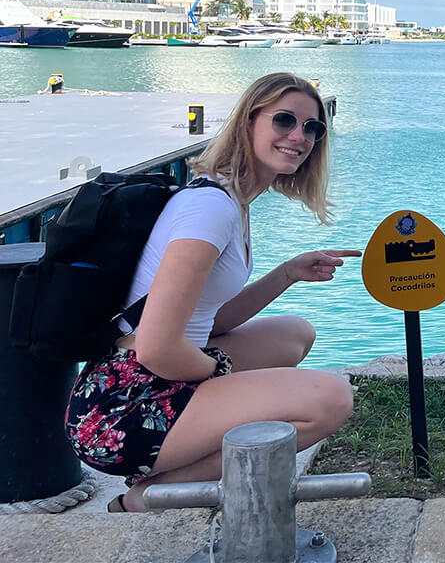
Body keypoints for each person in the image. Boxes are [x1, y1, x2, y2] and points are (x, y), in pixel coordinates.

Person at [65, 73, 359, 512]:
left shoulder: (232, 201)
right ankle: (151, 495)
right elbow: (157, 348)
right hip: (118, 409)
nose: (300, 137)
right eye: (284, 121)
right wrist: (218, 372)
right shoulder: (208, 210)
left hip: (151, 374)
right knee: (330, 400)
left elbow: (211, 320)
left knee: (294, 334)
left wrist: (286, 274)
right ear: (248, 123)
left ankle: (179, 453)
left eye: (312, 128)